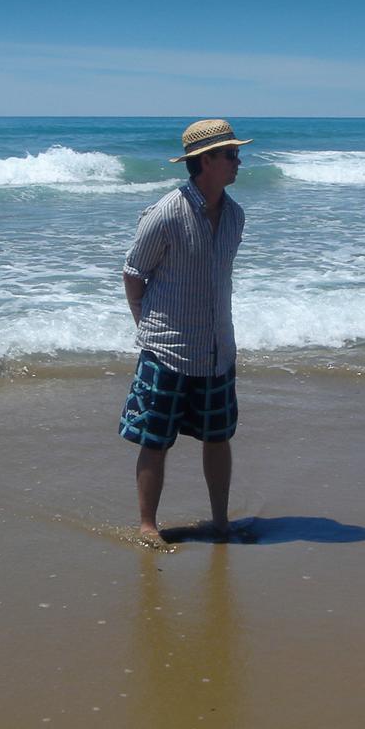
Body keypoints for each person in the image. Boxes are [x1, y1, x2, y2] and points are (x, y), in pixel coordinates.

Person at [119, 118, 250, 546]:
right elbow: (134, 273)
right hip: (167, 349)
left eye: (235, 153)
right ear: (205, 161)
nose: (238, 161)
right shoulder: (167, 213)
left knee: (218, 437)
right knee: (155, 440)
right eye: (230, 154)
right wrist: (148, 328)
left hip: (216, 349)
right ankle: (147, 526)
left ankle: (221, 522)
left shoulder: (234, 215)